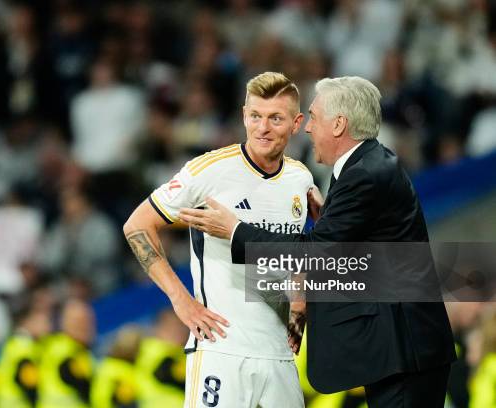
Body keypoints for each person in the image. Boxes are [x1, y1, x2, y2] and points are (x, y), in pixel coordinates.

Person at [178, 76, 456, 407]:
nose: (307, 128)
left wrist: (236, 230)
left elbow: (316, 254)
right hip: (401, 351)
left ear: (338, 124)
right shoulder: (367, 164)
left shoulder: (364, 174)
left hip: (404, 353)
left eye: (313, 116)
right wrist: (327, 221)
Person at [124, 72, 311, 407]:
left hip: (280, 354)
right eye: (255, 116)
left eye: (275, 118)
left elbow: (298, 249)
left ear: (296, 123)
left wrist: (299, 302)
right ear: (243, 115)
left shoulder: (300, 179)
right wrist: (181, 299)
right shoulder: (209, 170)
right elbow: (137, 225)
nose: (263, 128)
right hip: (221, 348)